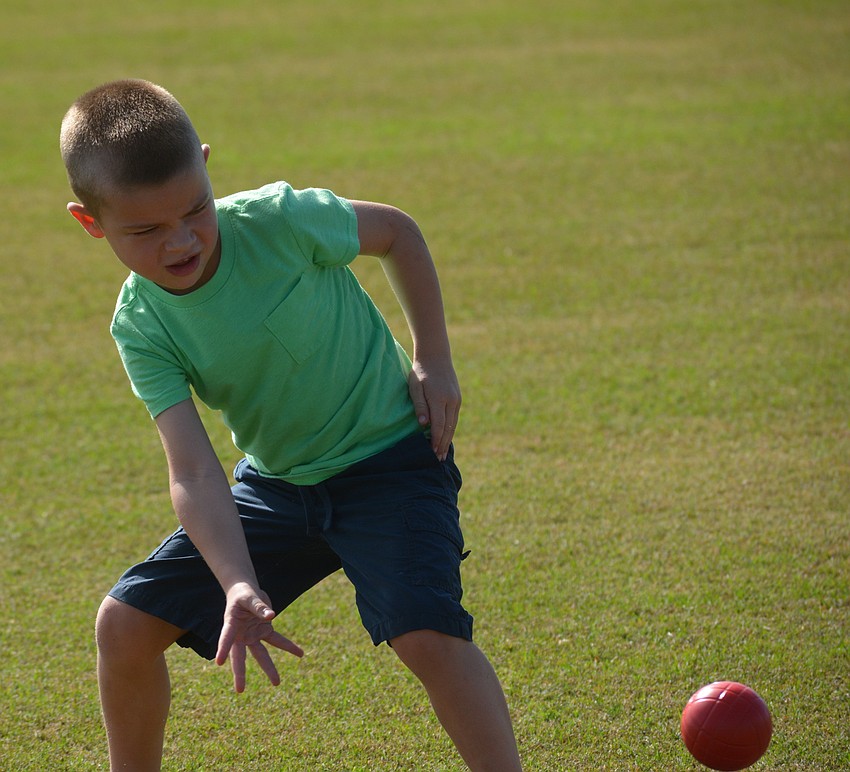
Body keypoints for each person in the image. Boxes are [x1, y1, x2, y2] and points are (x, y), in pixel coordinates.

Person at [59, 79, 521, 771]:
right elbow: (194, 471)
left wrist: (433, 360)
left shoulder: (278, 221)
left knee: (426, 635)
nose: (181, 239)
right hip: (278, 488)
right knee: (122, 627)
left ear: (206, 166)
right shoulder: (142, 325)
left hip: (391, 462)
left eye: (195, 209)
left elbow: (397, 233)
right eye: (146, 231)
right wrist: (237, 581)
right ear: (91, 223)